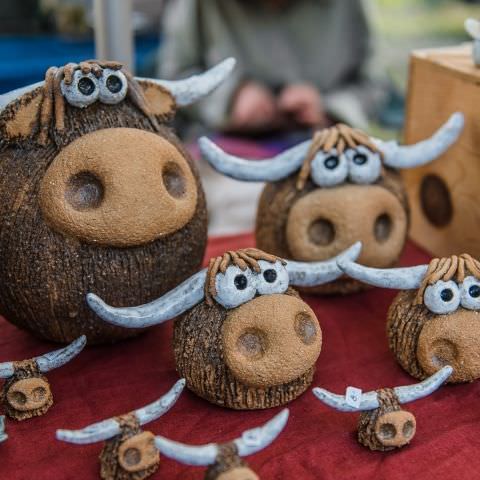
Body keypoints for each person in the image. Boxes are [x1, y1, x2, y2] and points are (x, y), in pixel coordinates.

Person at [158, 0, 387, 135]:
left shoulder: (347, 7)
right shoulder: (199, 5)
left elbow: (375, 84)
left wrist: (329, 108)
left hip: (327, 144)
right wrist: (230, 98)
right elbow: (173, 80)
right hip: (225, 154)